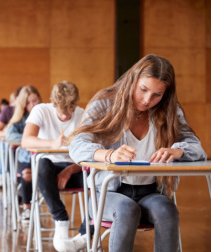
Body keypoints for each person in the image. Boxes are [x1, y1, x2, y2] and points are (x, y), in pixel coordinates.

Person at [69, 54, 207, 252]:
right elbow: (76, 145)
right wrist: (109, 155)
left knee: (167, 210)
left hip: (151, 192)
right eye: (143, 90)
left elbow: (197, 148)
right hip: (108, 194)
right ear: (132, 79)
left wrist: (177, 151)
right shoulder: (105, 102)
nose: (147, 100)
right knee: (126, 210)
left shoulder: (170, 110)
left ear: (165, 94)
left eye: (157, 95)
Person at [21, 81, 88, 251]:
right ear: (54, 103)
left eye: (70, 110)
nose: (66, 116)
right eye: (62, 111)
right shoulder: (41, 110)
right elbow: (26, 140)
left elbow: (90, 153)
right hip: (48, 171)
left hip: (75, 168)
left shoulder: (82, 114)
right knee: (42, 164)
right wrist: (53, 143)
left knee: (100, 177)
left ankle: (86, 233)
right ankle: (61, 218)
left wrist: (69, 170)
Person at [5, 85, 42, 223]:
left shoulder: (45, 113)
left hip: (44, 156)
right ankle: (27, 208)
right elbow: (9, 135)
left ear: (39, 99)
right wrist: (30, 139)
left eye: (34, 100)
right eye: (28, 102)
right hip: (26, 158)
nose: (32, 105)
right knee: (27, 174)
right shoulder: (20, 118)